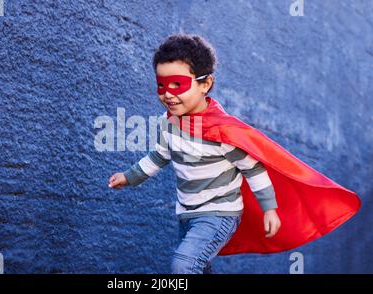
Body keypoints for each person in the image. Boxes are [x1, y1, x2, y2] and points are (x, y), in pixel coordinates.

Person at [108, 34, 360, 274]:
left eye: (178, 84)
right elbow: (159, 156)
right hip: (186, 213)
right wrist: (129, 177)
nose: (168, 93)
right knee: (199, 266)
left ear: (205, 84)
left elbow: (254, 169)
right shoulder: (170, 122)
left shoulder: (223, 131)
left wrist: (269, 209)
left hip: (219, 213)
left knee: (183, 266)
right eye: (161, 85)